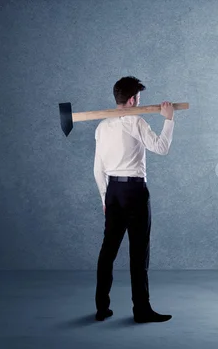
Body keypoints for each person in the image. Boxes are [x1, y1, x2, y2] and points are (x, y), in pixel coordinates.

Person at [93, 76, 174, 323]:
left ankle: (101, 308)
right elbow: (162, 148)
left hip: (113, 192)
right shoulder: (136, 122)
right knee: (138, 253)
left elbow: (98, 169)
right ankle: (141, 310)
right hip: (135, 192)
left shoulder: (102, 126)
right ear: (132, 100)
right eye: (139, 99)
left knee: (108, 250)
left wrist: (104, 197)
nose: (139, 103)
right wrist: (169, 120)